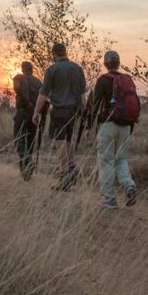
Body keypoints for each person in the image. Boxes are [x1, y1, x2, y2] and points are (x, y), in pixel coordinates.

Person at [89, 51, 139, 209]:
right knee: (121, 159)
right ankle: (129, 185)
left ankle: (109, 199)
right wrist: (131, 129)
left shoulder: (103, 80)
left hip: (107, 125)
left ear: (105, 64)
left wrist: (90, 126)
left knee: (106, 161)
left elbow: (95, 105)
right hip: (125, 126)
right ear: (119, 63)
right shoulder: (127, 80)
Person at [34, 43, 87, 191]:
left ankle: (64, 175)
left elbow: (43, 93)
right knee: (69, 140)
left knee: (60, 142)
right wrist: (86, 114)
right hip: (74, 111)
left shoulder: (52, 69)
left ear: (53, 54)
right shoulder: (78, 69)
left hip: (59, 110)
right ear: (65, 52)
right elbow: (83, 95)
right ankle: (71, 168)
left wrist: (36, 112)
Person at [12, 61, 43, 181]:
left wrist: (27, 102)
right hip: (35, 115)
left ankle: (26, 162)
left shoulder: (18, 77)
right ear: (32, 69)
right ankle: (27, 171)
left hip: (22, 112)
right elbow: (44, 97)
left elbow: (17, 88)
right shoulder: (38, 82)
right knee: (30, 141)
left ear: (22, 69)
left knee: (19, 139)